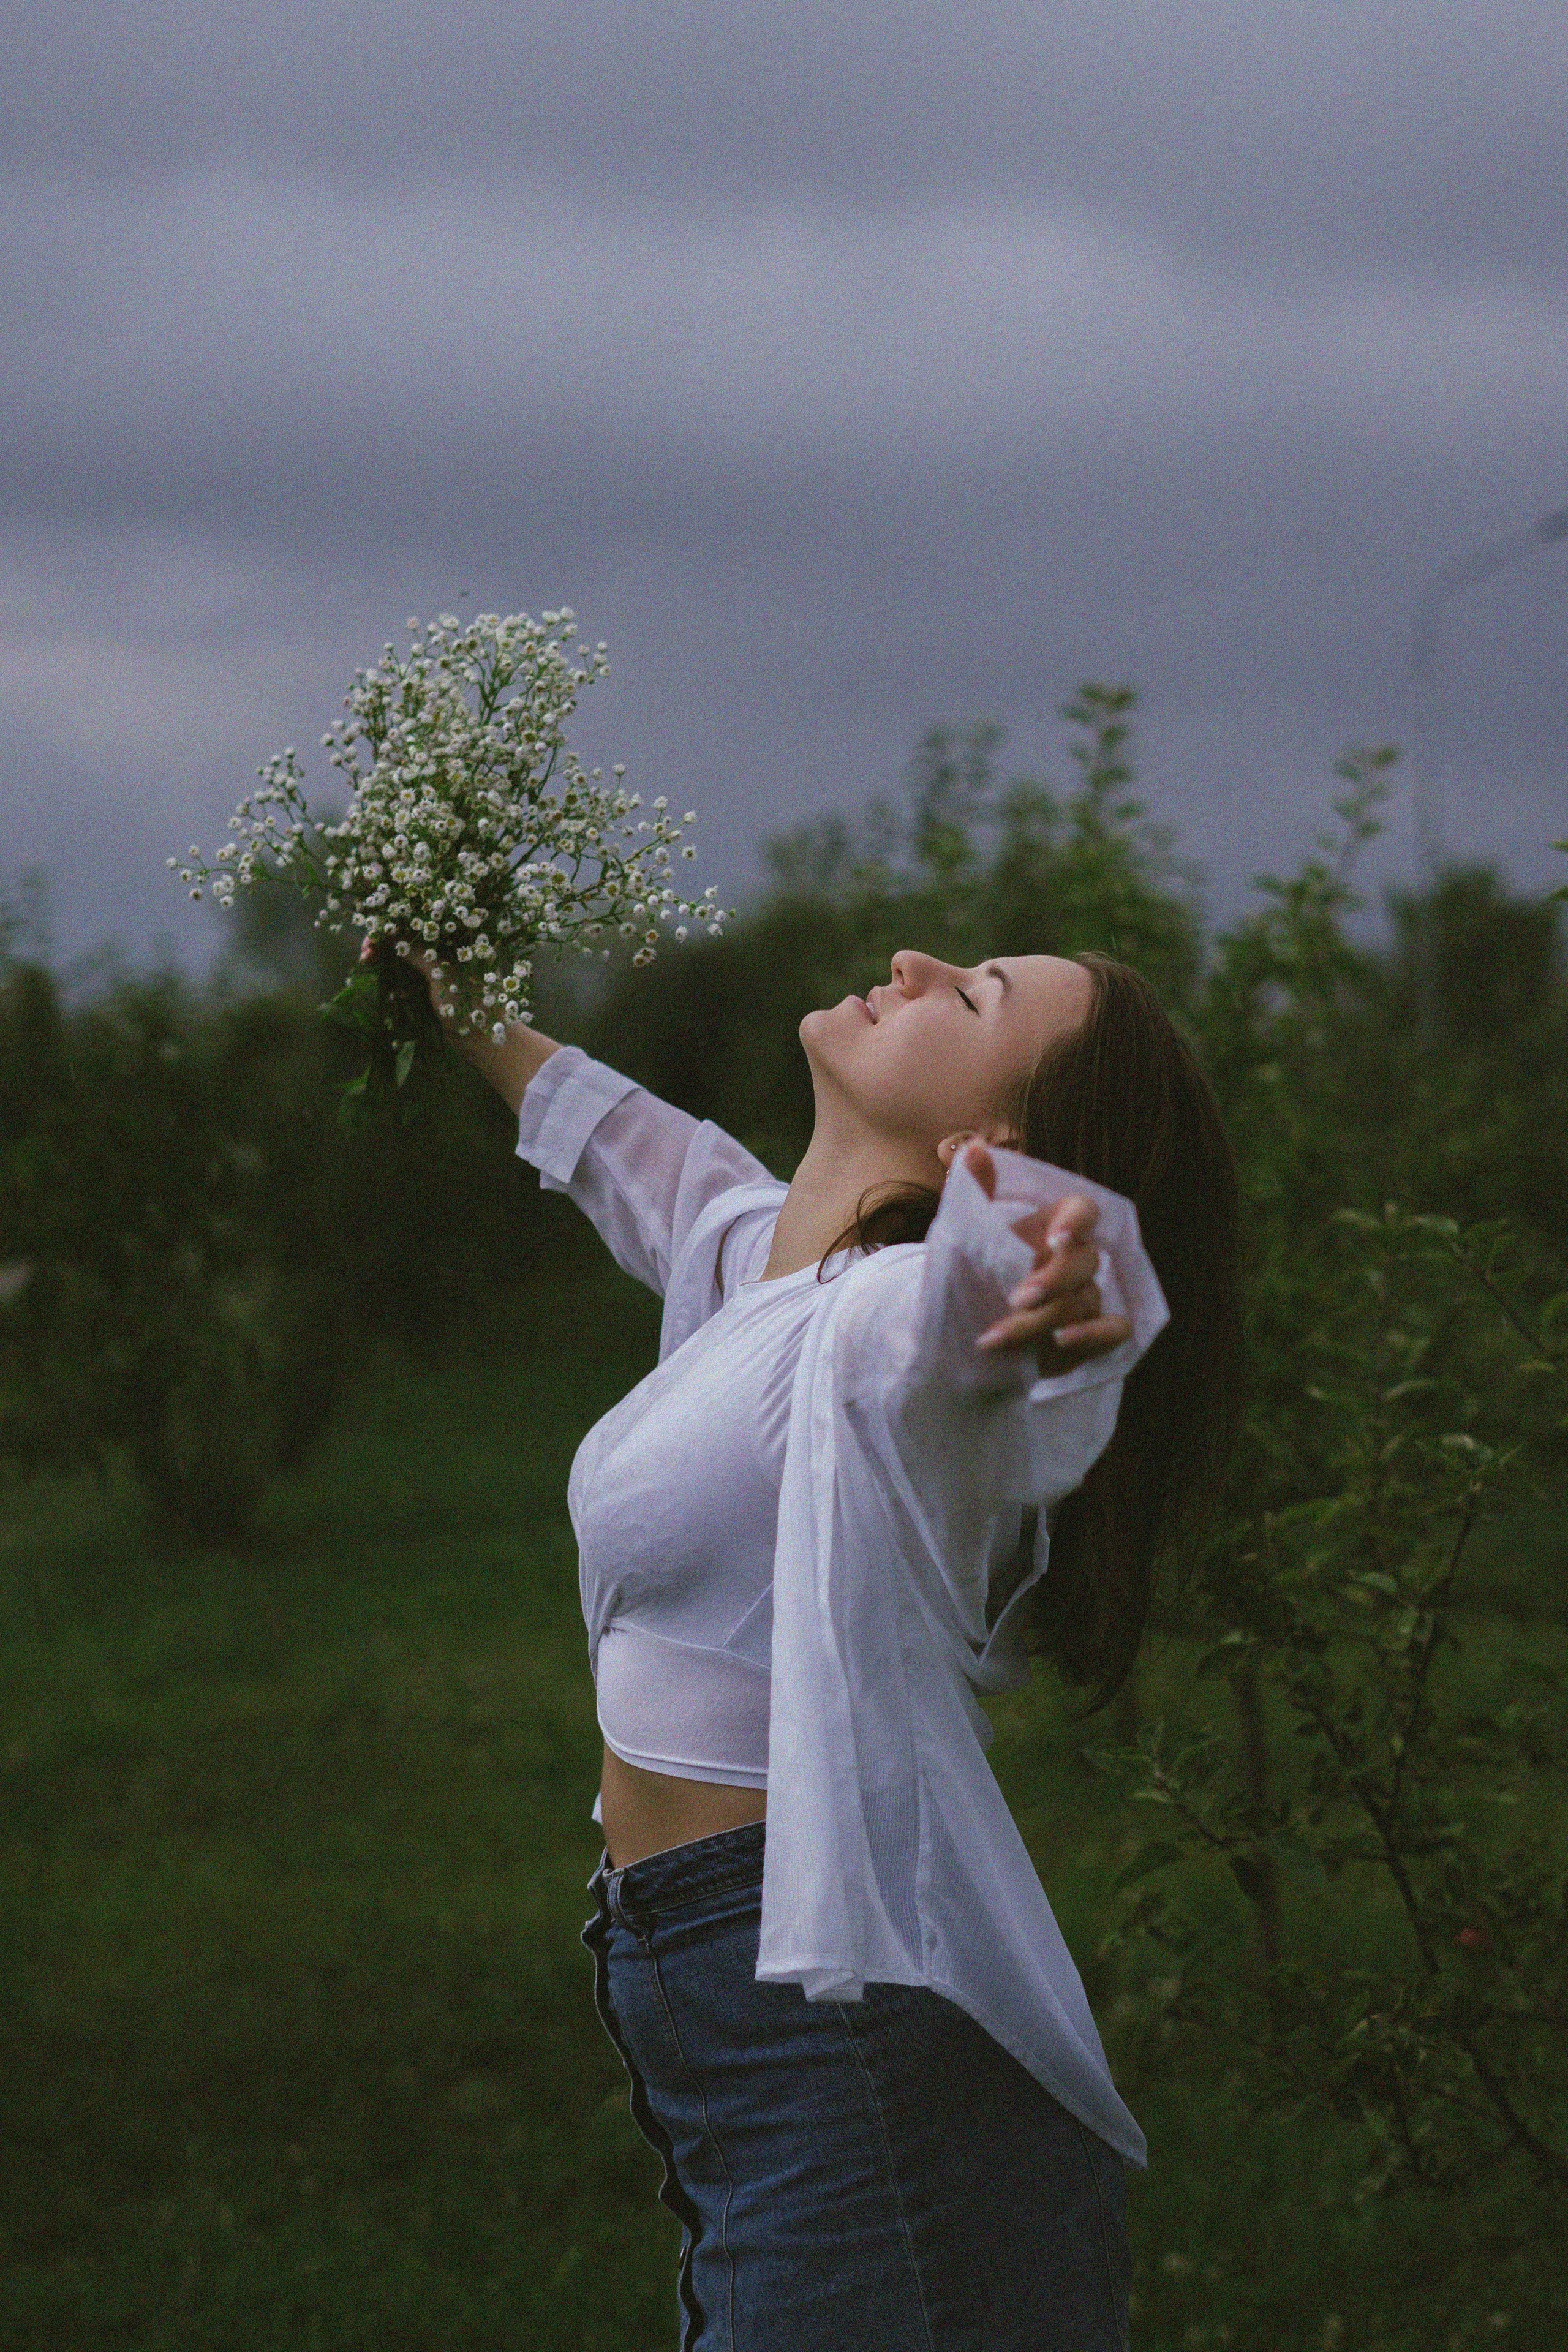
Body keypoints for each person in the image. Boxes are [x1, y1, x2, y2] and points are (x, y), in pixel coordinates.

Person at [394, 937, 1245, 2352]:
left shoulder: (885, 1339)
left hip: (851, 2050)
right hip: (737, 1996)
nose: (915, 960)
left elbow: (978, 1324)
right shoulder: (766, 1266)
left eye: (970, 997)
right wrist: (456, 993)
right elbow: (639, 1157)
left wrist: (1056, 1275)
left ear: (991, 1149)